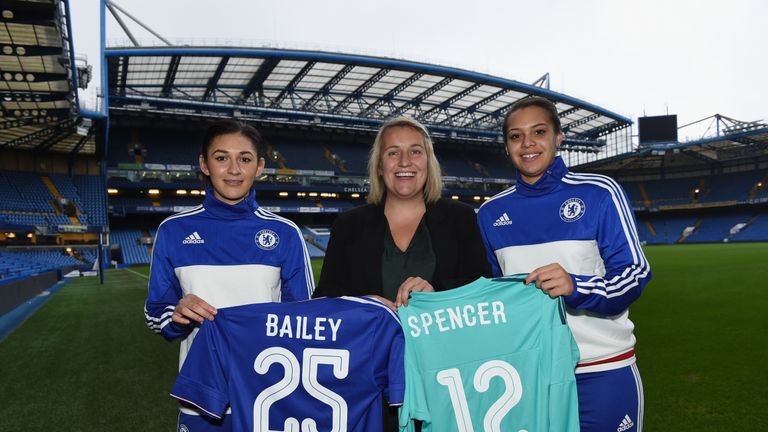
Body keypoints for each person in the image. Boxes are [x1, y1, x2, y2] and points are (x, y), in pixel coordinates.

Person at [477, 96, 651, 432]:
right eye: (515, 136)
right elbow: (494, 297)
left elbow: (635, 274)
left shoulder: (599, 192)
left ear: (559, 138)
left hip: (601, 369)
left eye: (539, 131)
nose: (527, 143)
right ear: (506, 146)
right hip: (529, 377)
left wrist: (576, 286)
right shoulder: (488, 214)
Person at [313, 116, 491, 431]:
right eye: (393, 152)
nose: (404, 161)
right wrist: (364, 303)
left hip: (447, 377)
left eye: (415, 152)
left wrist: (438, 291)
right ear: (380, 166)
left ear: (429, 162)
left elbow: (482, 289)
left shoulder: (461, 218)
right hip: (368, 382)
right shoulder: (350, 225)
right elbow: (323, 302)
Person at [144, 119, 315, 432]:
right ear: (204, 164)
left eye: (245, 159)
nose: (234, 169)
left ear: (259, 167)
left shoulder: (285, 233)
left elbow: (305, 320)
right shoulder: (172, 231)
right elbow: (156, 314)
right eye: (222, 158)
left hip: (269, 397)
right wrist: (179, 314)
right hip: (202, 400)